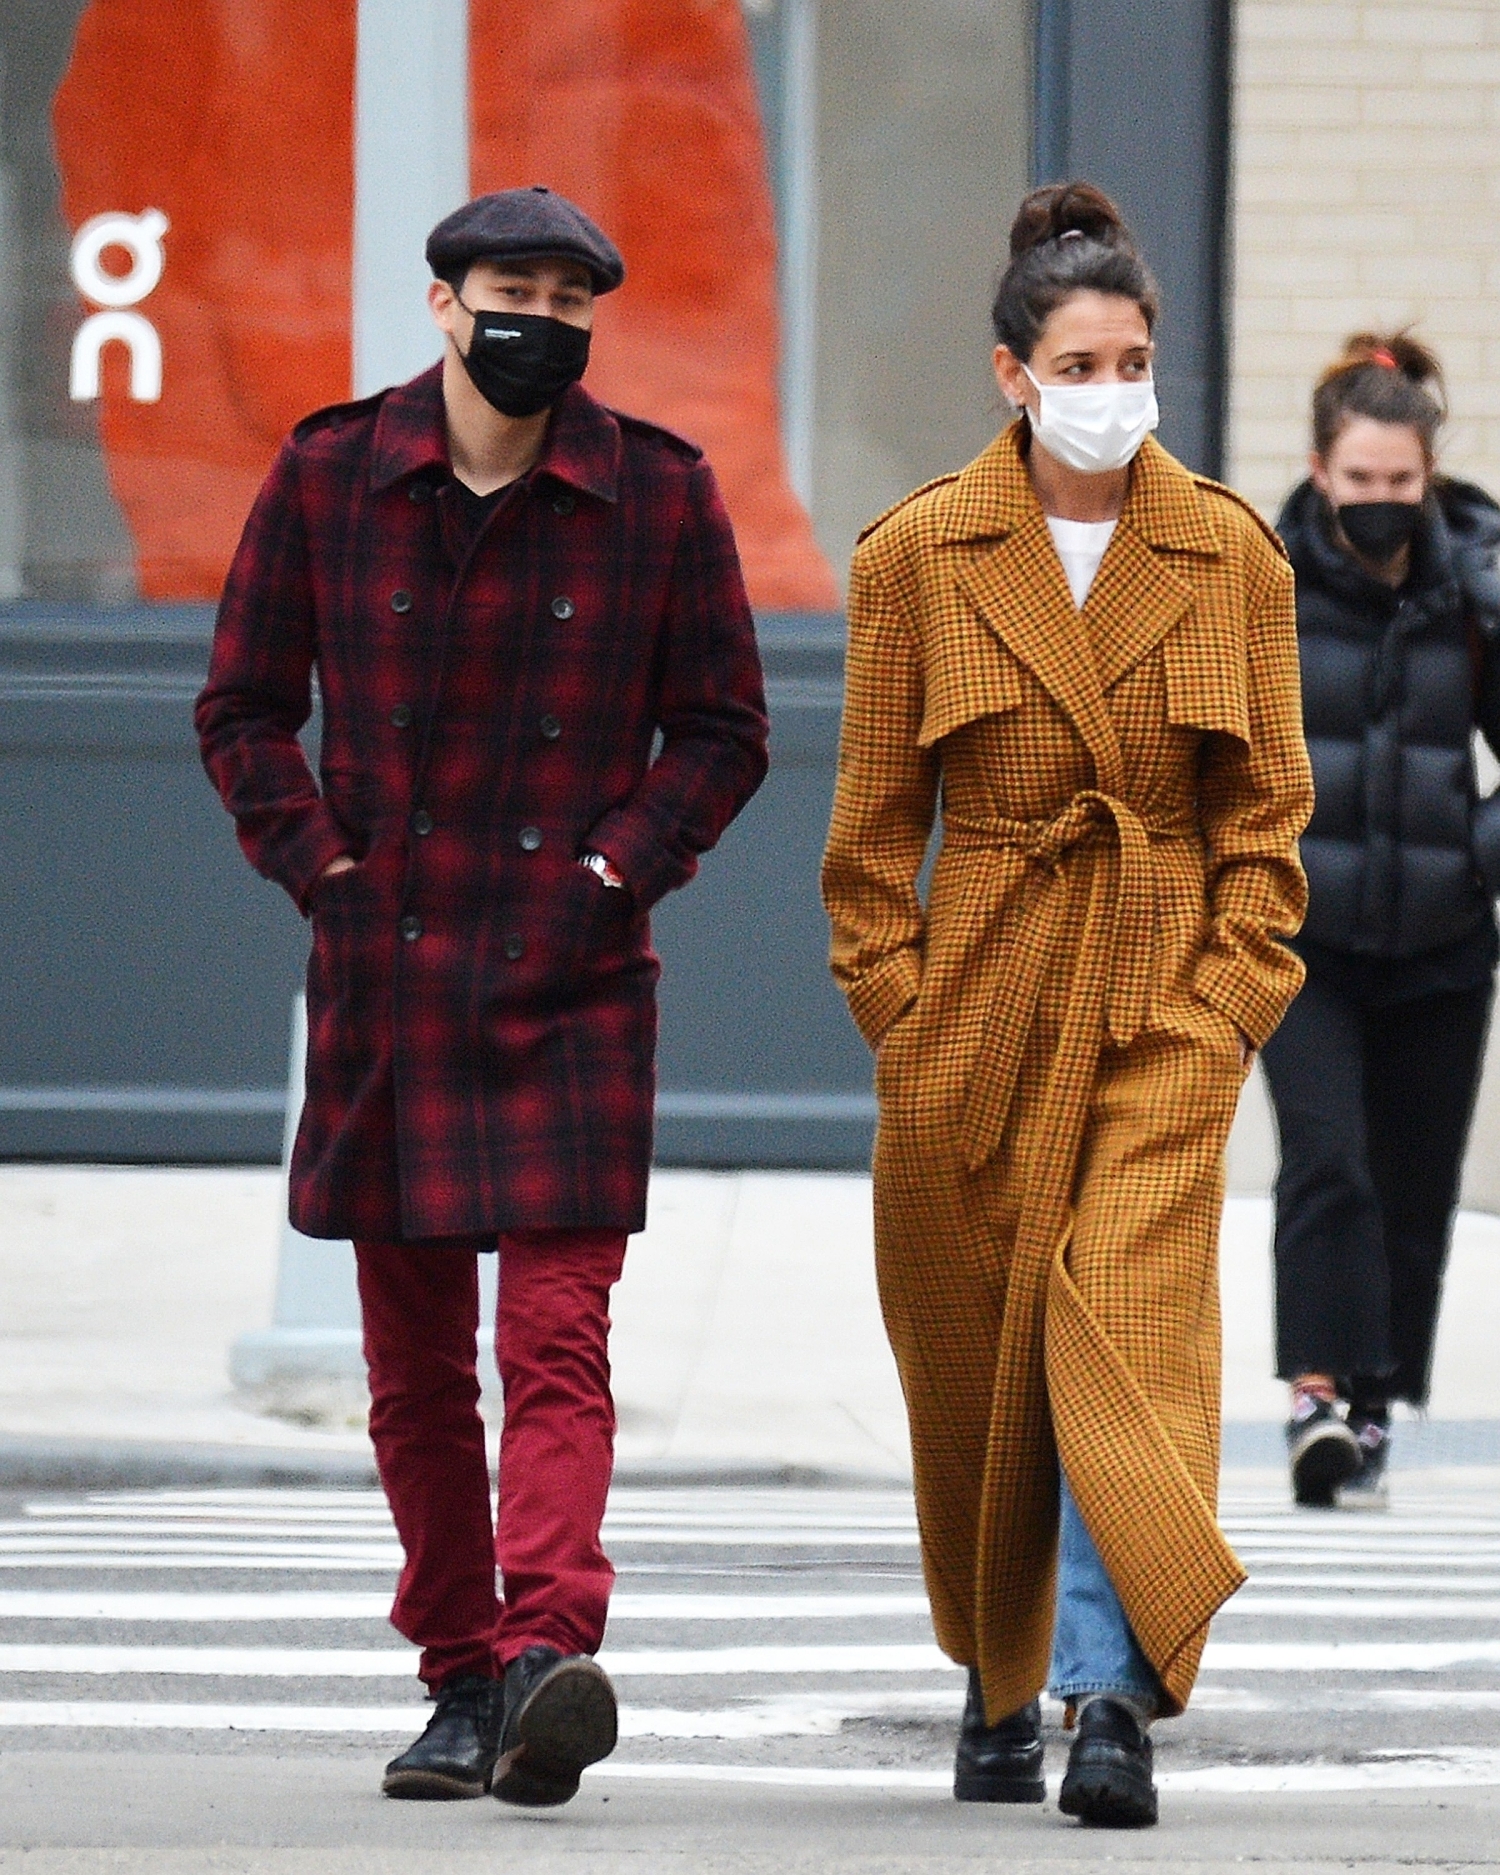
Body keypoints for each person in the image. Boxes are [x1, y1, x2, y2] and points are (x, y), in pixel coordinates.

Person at [196, 188, 768, 1805]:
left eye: (572, 300)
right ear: (445, 303)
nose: (544, 321)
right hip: (388, 972)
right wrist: (327, 870)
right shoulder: (329, 474)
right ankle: (459, 1672)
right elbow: (243, 708)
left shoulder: (657, 490)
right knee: (416, 1371)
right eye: (515, 288)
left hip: (573, 977)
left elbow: (723, 728)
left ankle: (544, 1650)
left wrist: (613, 871)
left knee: (557, 1342)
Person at [821, 181, 1312, 1829]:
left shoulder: (1227, 552)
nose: (1114, 390)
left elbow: (1269, 822)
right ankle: (996, 1680)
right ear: (1014, 374)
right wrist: (904, 1021)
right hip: (977, 1003)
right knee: (981, 1362)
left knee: (1124, 1329)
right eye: (1082, 364)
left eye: (1135, 361)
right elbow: (869, 838)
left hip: (1162, 997)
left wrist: (1229, 1007)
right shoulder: (917, 553)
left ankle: (1111, 1697)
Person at [1262, 334, 1500, 1509]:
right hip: (1301, 937)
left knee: (1414, 1185)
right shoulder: (1264, 586)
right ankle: (1315, 1394)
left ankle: (1373, 1405)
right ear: (1320, 470)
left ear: (1429, 475)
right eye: (1359, 479)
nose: (1380, 500)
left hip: (1442, 941)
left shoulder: (1476, 590)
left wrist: (1477, 855)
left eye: (1401, 481)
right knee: (1329, 1164)